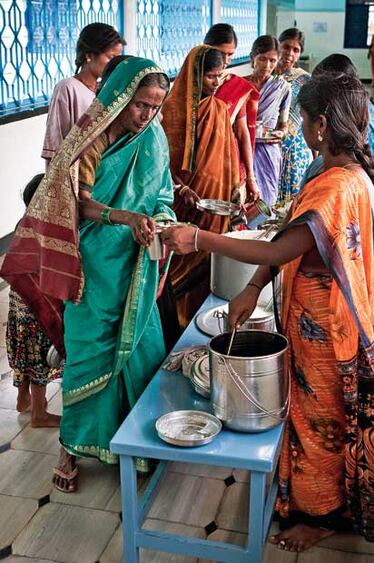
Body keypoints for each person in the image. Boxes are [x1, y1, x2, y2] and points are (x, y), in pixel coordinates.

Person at [161, 73, 374, 550]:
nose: (298, 126)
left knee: (323, 425)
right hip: (323, 324)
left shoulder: (338, 185)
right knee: (314, 417)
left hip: (329, 332)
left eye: (303, 118)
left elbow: (283, 248)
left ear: (321, 124)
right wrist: (251, 290)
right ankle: (306, 498)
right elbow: (288, 241)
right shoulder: (335, 170)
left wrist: (199, 238)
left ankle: (323, 514)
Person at [1, 57, 175, 491]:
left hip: (135, 262)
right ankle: (71, 447)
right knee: (87, 355)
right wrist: (123, 216)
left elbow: (163, 192)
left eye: (155, 107)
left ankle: (136, 446)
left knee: (140, 350)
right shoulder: (87, 138)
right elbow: (75, 205)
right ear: (119, 97)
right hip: (92, 265)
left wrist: (160, 218)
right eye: (139, 106)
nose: (146, 116)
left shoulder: (152, 138)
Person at [305, 53, 374, 314]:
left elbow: (280, 252)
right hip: (373, 214)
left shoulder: (340, 176)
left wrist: (200, 239)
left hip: (358, 222)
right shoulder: (361, 111)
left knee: (356, 295)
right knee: (367, 294)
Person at [161, 45, 239, 327]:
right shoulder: (171, 111)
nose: (216, 83)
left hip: (214, 204)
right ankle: (177, 322)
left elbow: (228, 155)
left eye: (220, 76)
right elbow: (164, 164)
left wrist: (234, 189)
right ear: (194, 75)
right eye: (210, 77)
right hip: (184, 203)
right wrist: (181, 188)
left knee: (208, 262)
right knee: (183, 257)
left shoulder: (218, 108)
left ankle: (201, 318)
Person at [6, 173, 62, 428]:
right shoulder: (46, 232)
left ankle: (22, 399)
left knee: (22, 356)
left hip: (18, 305)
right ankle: (39, 413)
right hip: (36, 309)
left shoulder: (23, 223)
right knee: (39, 358)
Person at [41, 22, 125, 163]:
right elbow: (55, 145)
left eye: (118, 58)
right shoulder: (68, 88)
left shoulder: (107, 90)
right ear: (89, 56)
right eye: (111, 57)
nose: (115, 64)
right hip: (77, 174)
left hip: (103, 173)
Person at [204, 24, 260, 201]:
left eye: (230, 54)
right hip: (196, 169)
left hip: (227, 164)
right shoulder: (188, 89)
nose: (226, 60)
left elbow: (242, 132)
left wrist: (250, 176)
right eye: (221, 53)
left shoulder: (235, 87)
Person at [246, 35, 291, 207]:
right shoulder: (240, 85)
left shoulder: (283, 88)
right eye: (262, 59)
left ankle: (263, 232)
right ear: (253, 58)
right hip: (244, 148)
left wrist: (282, 133)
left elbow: (283, 124)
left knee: (266, 200)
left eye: (272, 61)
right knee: (245, 198)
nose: (267, 66)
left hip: (268, 150)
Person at [275, 28, 312, 201]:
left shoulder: (305, 80)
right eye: (286, 47)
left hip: (295, 151)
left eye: (296, 50)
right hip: (269, 145)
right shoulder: (266, 75)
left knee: (291, 202)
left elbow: (313, 116)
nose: (290, 53)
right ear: (278, 46)